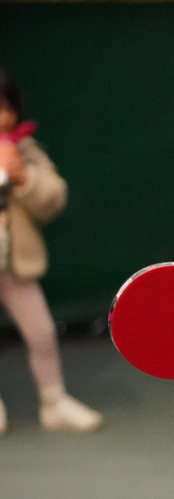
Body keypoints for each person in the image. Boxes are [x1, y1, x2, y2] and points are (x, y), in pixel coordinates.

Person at [0, 69, 102, 434]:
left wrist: (22, 178)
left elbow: (52, 199)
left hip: (16, 268)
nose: (2, 116)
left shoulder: (26, 151)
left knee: (42, 332)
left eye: (6, 107)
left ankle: (54, 402)